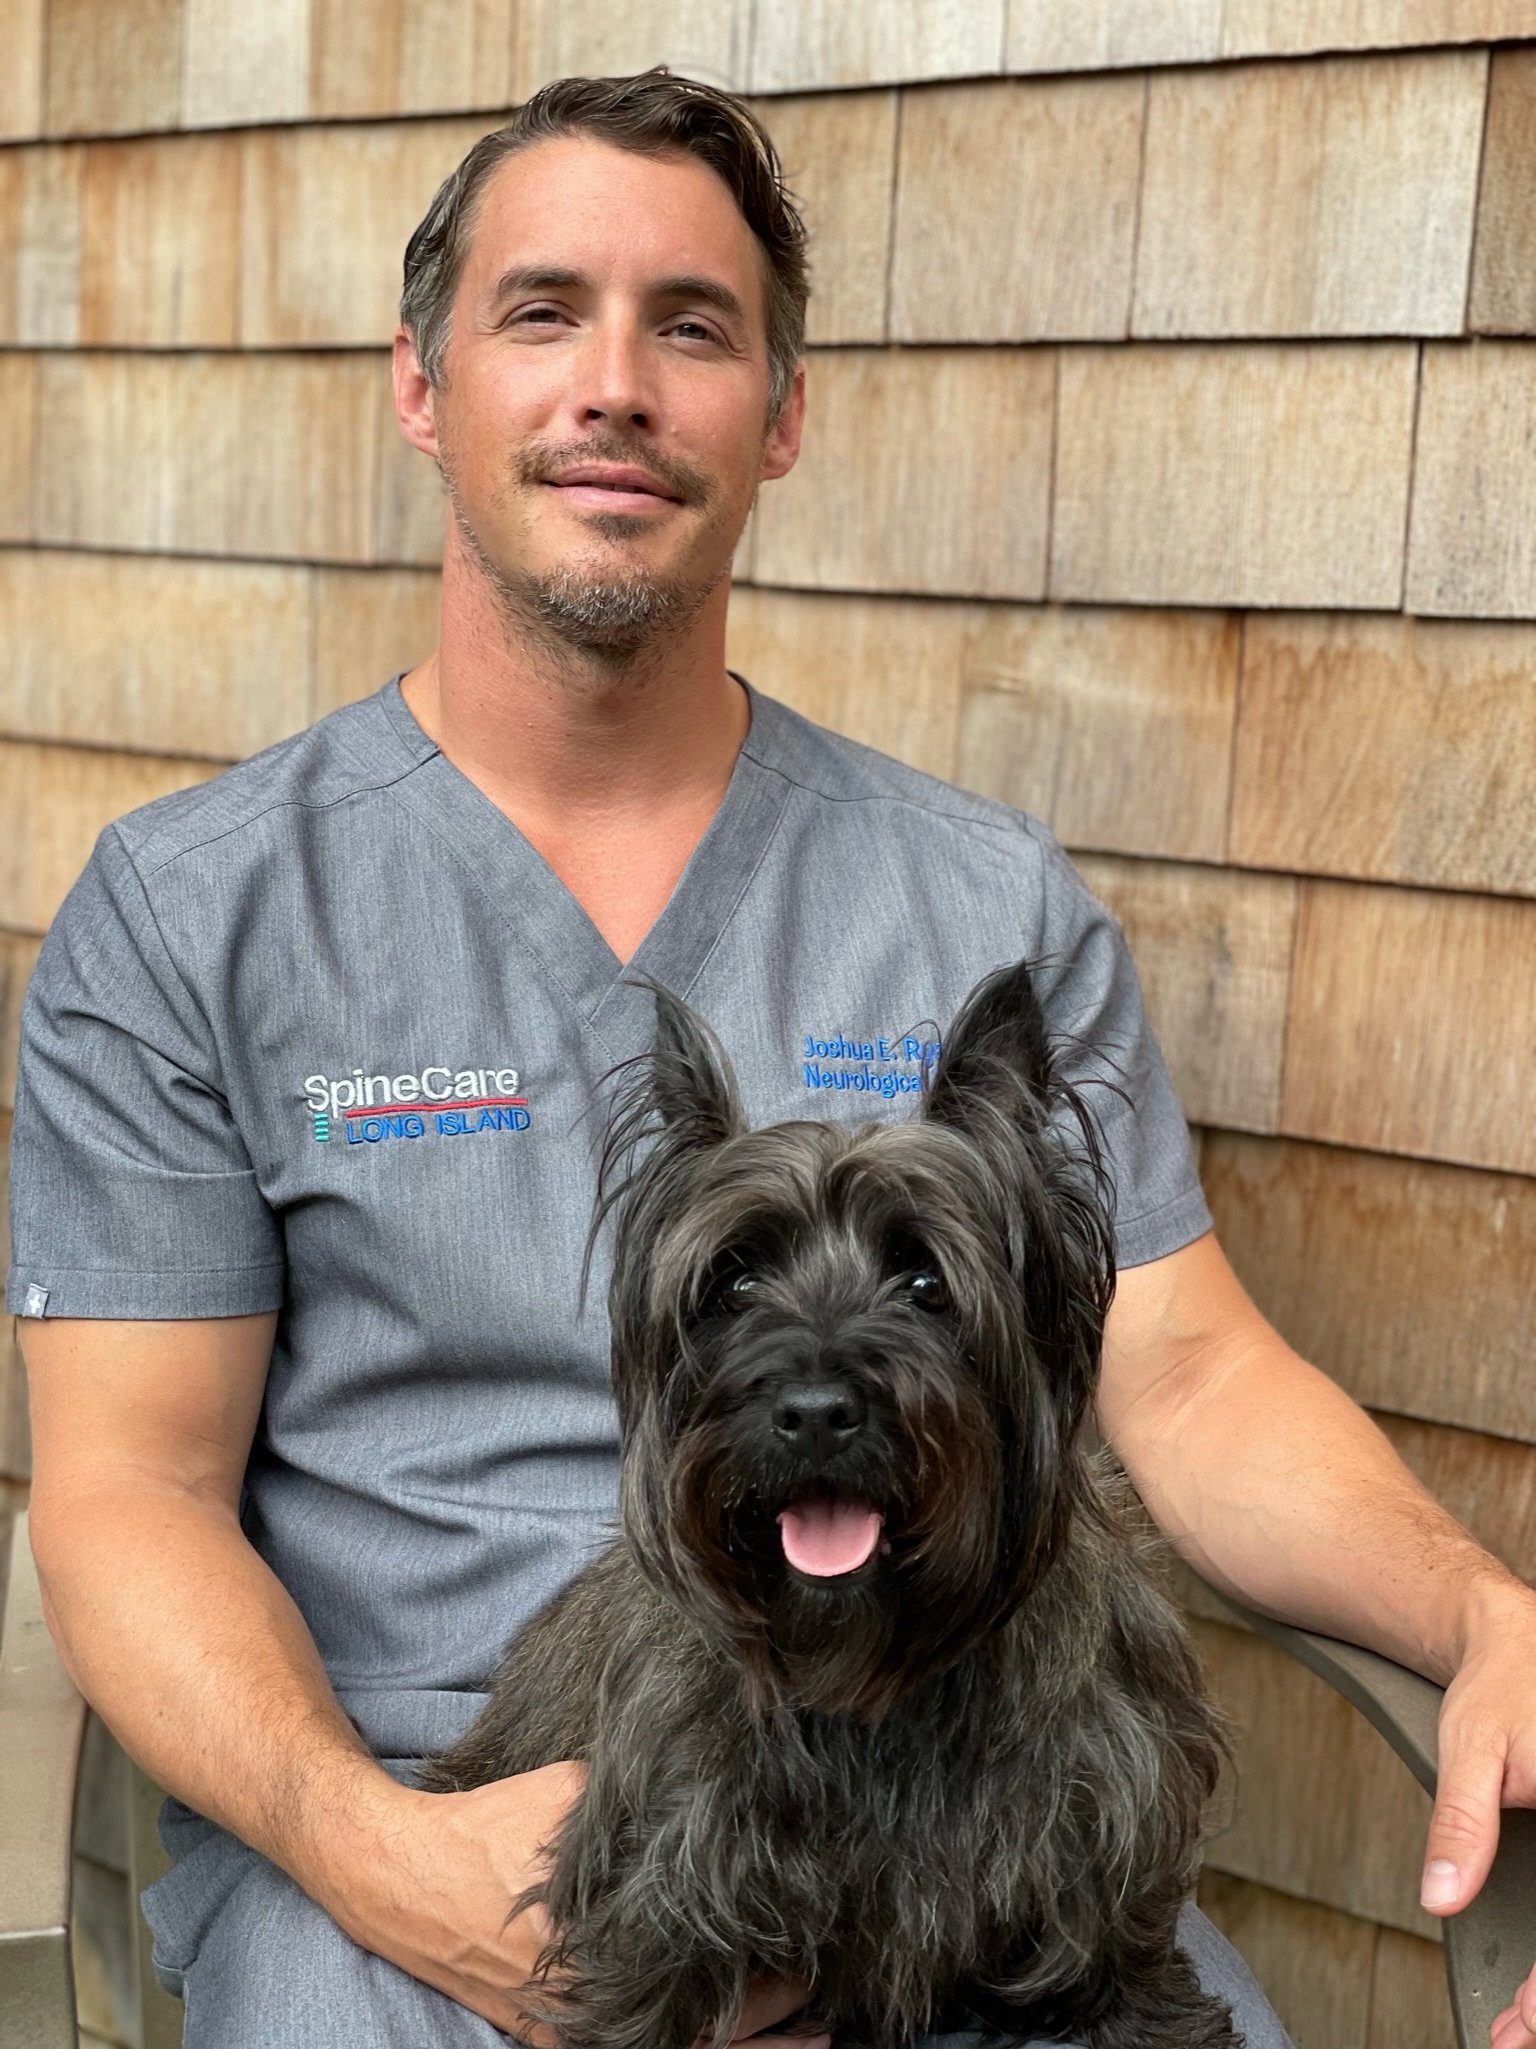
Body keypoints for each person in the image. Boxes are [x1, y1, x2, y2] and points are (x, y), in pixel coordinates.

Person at [8, 70, 1535, 2049]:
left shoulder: (977, 898)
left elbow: (1194, 1370)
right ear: (422, 384)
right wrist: (378, 1845)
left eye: (696, 325)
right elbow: (127, 1485)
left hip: (962, 1795)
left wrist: (1482, 1609)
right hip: (427, 1813)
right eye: (543, 311)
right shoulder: (191, 912)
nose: (618, 384)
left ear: (781, 413)